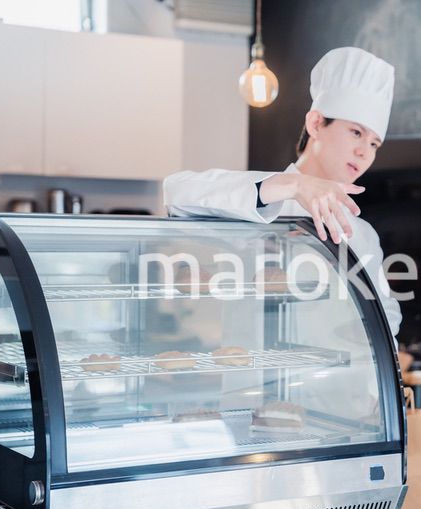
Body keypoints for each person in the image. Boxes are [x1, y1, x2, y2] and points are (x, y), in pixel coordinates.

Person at [163, 47, 401, 339]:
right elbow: (176, 192)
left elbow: (387, 314)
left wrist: (347, 334)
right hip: (253, 381)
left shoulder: (361, 233)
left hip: (340, 383)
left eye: (375, 144)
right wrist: (294, 185)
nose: (364, 151)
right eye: (356, 132)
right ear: (315, 123)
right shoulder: (256, 200)